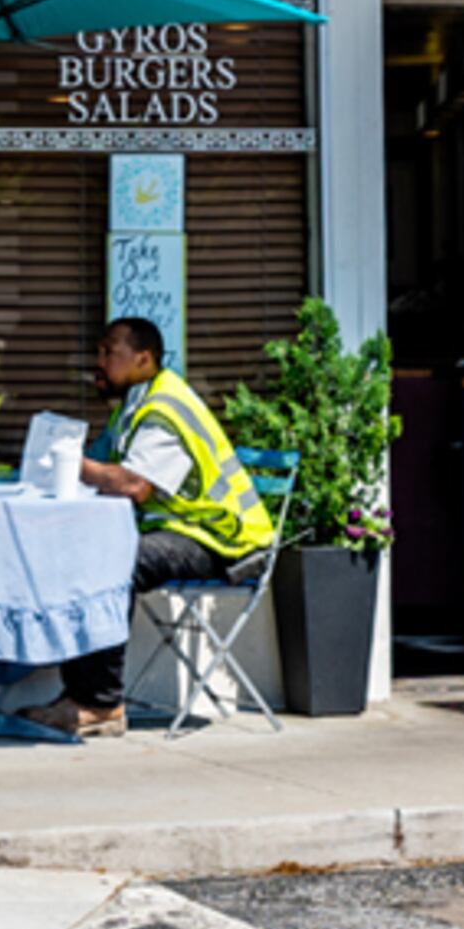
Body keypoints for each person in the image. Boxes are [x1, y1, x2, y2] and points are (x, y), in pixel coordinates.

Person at [25, 316, 275, 739]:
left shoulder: (163, 410)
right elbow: (103, 464)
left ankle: (100, 703)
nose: (98, 361)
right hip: (190, 530)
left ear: (143, 359)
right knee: (81, 553)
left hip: (225, 541)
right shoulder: (134, 406)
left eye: (109, 352)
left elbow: (133, 485)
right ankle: (79, 696)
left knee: (112, 560)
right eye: (98, 351)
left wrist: (69, 463)